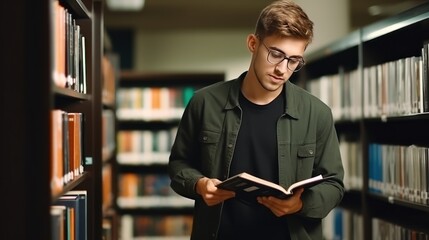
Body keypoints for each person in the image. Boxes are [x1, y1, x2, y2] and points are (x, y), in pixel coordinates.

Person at [168, 1, 345, 239]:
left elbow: (334, 184)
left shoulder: (317, 113)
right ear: (253, 43)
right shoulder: (204, 102)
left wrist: (300, 204)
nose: (283, 69)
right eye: (276, 54)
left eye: (294, 60)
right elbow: (179, 164)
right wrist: (199, 184)